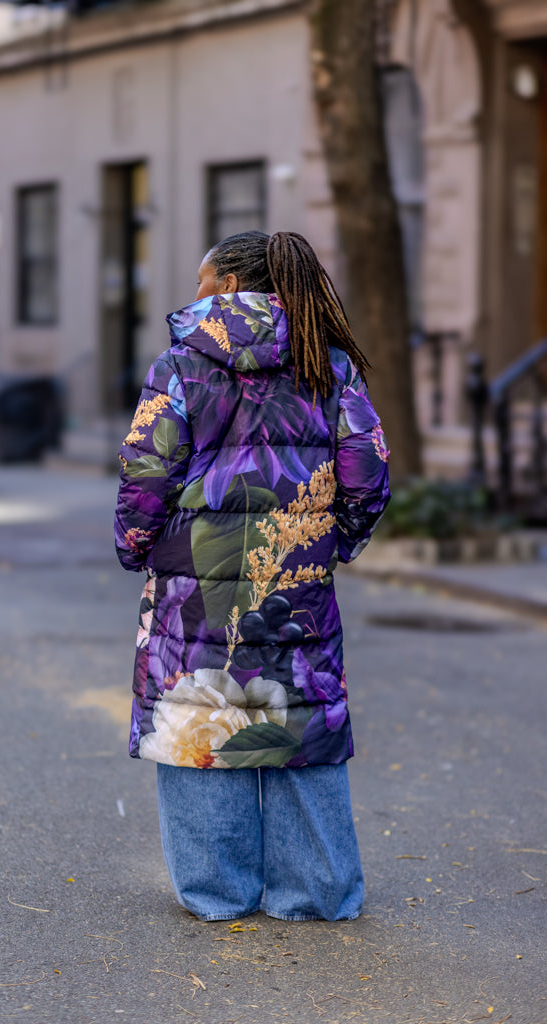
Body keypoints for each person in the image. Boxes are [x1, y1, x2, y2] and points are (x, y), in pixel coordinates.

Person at [114, 230, 390, 922]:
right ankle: (316, 892)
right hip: (294, 574)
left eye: (203, 280)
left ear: (231, 285)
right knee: (300, 718)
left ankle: (218, 893)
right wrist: (327, 543)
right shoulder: (327, 364)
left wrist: (138, 546)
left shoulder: (180, 365)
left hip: (193, 585)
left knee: (200, 718)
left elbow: (146, 470)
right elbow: (368, 472)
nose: (195, 292)